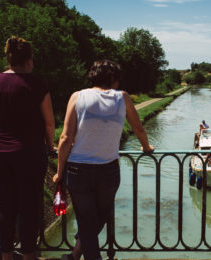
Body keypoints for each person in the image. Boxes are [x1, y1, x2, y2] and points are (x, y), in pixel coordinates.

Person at [53, 59, 154, 260]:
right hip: (108, 170)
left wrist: (59, 171)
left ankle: (74, 255)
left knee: (87, 220)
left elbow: (65, 138)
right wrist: (146, 146)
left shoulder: (77, 96)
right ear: (113, 78)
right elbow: (138, 127)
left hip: (77, 170)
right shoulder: (122, 98)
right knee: (98, 216)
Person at [0, 36, 55, 260]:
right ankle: (28, 256)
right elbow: (49, 121)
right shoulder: (36, 83)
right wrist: (50, 146)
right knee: (29, 207)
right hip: (28, 153)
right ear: (28, 61)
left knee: (4, 208)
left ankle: (5, 256)